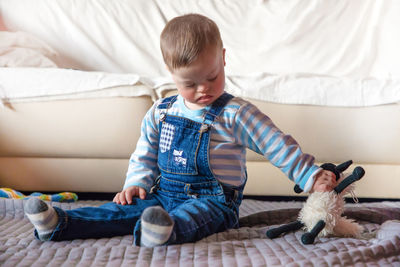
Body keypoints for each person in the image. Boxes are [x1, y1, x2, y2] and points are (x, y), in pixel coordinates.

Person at [24, 13, 337, 247]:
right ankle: (61, 223)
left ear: (224, 59)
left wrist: (309, 174)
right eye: (189, 83)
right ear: (170, 73)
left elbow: (275, 143)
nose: (203, 89)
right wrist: (135, 182)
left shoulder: (234, 113)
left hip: (214, 202)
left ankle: (163, 231)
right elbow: (144, 153)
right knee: (118, 211)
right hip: (163, 195)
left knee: (194, 216)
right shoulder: (161, 111)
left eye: (212, 77)